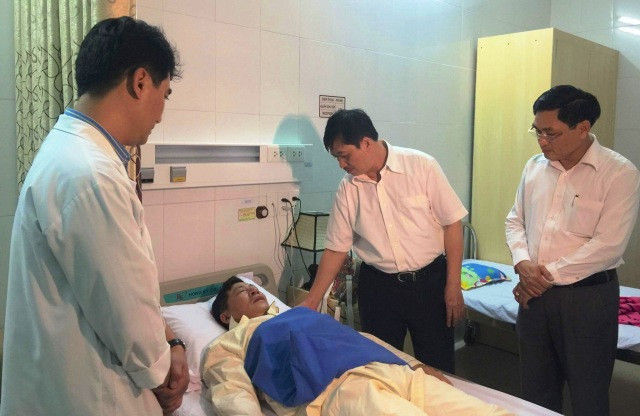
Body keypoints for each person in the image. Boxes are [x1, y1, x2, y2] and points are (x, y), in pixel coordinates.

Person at [0, 17, 189, 415]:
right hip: (94, 397)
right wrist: (165, 366)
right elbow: (133, 325)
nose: (160, 115)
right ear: (141, 82)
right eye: (165, 95)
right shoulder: (92, 175)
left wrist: (170, 340)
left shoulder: (69, 152)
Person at [298, 109, 467, 373]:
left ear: (366, 142)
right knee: (381, 369)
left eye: (344, 155)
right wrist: (312, 301)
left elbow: (452, 224)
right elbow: (336, 248)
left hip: (429, 284)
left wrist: (453, 285)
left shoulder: (421, 166)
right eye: (336, 157)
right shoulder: (348, 188)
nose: (341, 164)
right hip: (379, 289)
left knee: (438, 366)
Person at [505, 85, 640, 415]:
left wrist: (540, 278)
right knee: (535, 391)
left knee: (588, 393)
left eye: (551, 133)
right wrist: (522, 262)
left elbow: (608, 246)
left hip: (586, 299)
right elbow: (515, 220)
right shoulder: (534, 167)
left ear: (582, 128)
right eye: (537, 131)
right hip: (534, 297)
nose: (542, 141)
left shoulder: (619, 172)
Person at [203, 276, 511, 415]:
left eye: (253, 285)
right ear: (226, 315)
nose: (253, 290)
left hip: (393, 371)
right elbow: (232, 392)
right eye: (241, 291)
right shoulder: (228, 342)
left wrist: (415, 364)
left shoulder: (299, 313)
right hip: (340, 388)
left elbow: (362, 338)